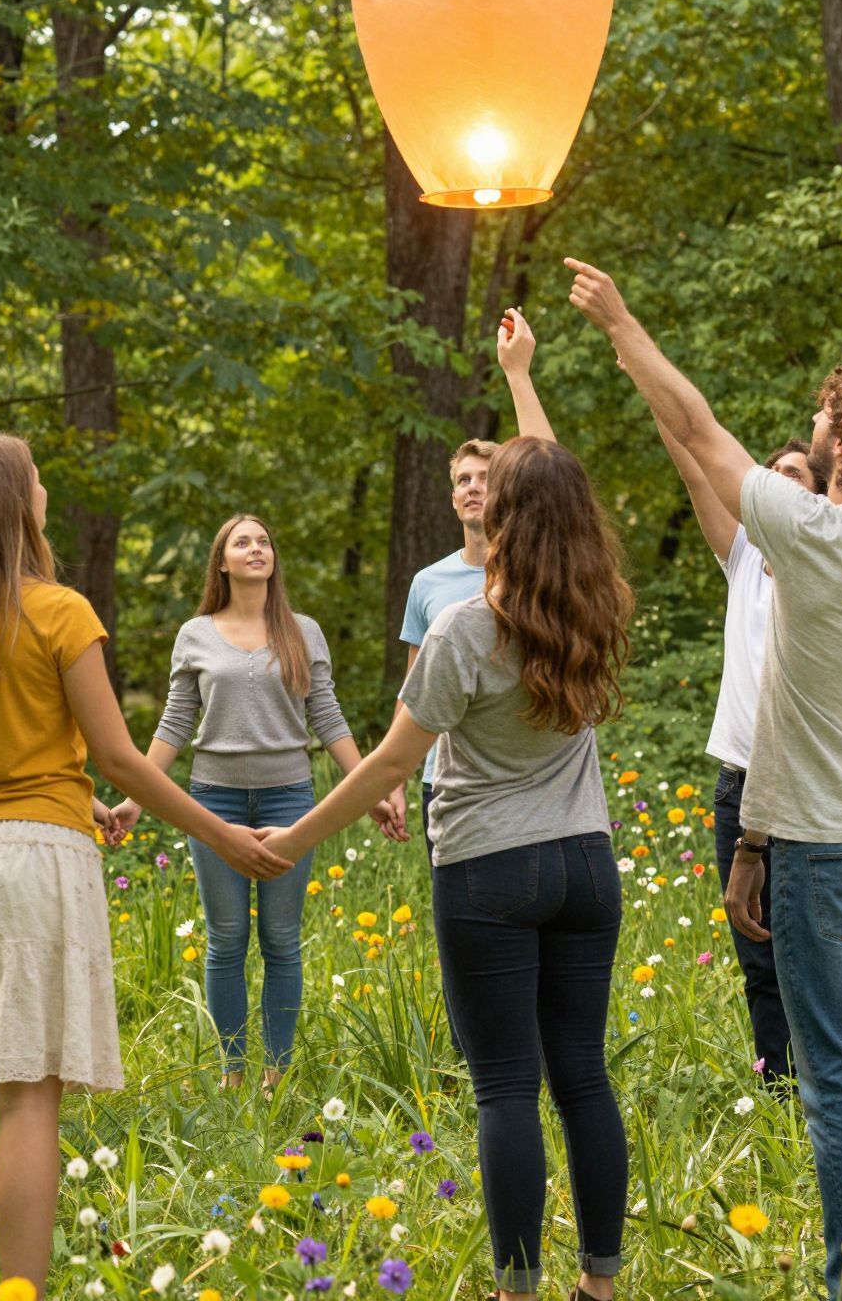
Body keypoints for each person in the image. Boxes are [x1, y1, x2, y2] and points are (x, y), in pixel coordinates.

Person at [568, 258, 842, 1299]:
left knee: (836, 1091)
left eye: (822, 415)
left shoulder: (811, 535)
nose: (811, 424)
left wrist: (621, 318)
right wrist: (749, 841)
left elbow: (692, 430)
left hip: (825, 857)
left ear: (839, 444)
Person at [0, 433, 289, 1301]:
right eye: (34, 478)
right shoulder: (60, 610)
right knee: (30, 1095)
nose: (42, 487)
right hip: (39, 861)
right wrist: (222, 833)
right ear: (11, 502)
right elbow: (120, 757)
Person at [266, 435, 635, 1301]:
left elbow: (393, 764)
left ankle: (516, 1291)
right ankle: (602, 1286)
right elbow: (549, 467)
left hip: (488, 871)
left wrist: (292, 840)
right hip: (586, 864)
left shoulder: (467, 626)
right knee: (583, 1075)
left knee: (506, 1085)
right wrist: (521, 375)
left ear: (500, 517)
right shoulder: (601, 603)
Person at [107, 512, 368, 1091]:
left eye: (264, 541)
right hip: (213, 802)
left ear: (273, 559)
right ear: (222, 563)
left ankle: (274, 1072)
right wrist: (136, 800)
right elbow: (175, 723)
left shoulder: (304, 630)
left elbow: (326, 716)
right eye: (241, 542)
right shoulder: (195, 634)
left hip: (291, 800)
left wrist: (370, 788)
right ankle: (232, 1071)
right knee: (226, 940)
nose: (256, 548)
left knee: (280, 938)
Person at [654, 423, 824, 1088]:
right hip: (741, 785)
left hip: (808, 787)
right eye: (770, 471)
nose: (777, 479)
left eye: (794, 473)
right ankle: (778, 1092)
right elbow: (699, 472)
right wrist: (660, 403)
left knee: (811, 954)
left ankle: (826, 1092)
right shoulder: (745, 552)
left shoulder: (829, 565)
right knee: (758, 955)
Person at [398, 309, 558, 848]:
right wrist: (396, 776)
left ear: (508, 492)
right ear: (451, 498)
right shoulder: (427, 583)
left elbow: (552, 481)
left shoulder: (537, 570)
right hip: (444, 777)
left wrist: (518, 373)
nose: (472, 488)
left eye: (486, 479)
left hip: (529, 772)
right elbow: (413, 686)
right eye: (462, 480)